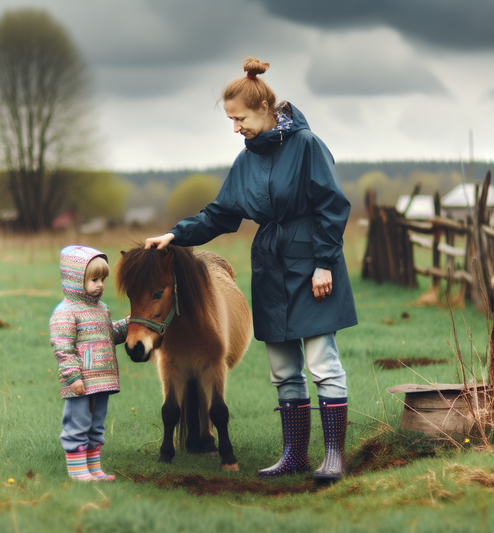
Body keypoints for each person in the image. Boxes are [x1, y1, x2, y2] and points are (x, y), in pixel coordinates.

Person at [145, 57, 357, 482]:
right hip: (270, 270)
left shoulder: (307, 145)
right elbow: (220, 214)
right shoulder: (246, 161)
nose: (235, 127)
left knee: (322, 362)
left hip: (313, 265)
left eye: (238, 118)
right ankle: (294, 455)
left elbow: (332, 207)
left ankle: (333, 455)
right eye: (230, 120)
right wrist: (176, 235)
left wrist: (323, 264)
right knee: (283, 369)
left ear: (263, 108)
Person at [49, 245, 128, 481]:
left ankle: (94, 468)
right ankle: (77, 471)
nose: (100, 285)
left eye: (103, 279)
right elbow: (63, 347)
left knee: (96, 426)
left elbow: (108, 336)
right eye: (94, 279)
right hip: (80, 383)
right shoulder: (66, 312)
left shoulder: (101, 309)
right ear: (75, 279)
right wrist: (73, 377)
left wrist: (127, 326)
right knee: (78, 423)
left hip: (101, 381)